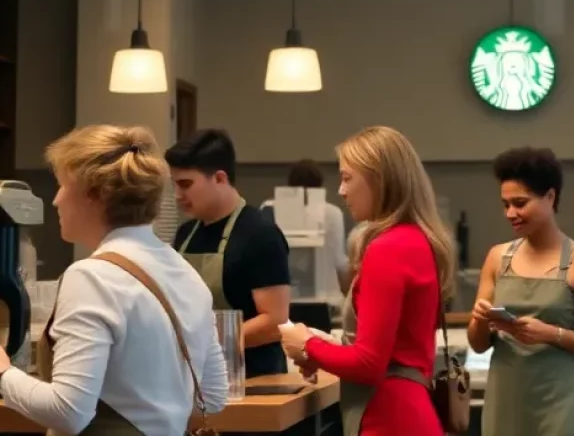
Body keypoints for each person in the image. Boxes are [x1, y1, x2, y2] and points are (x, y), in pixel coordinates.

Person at [0, 125, 228, 436]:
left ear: (94, 194)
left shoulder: (91, 277)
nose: (55, 200)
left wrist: (3, 374)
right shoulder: (187, 274)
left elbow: (69, 411)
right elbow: (213, 396)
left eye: (63, 185)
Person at [279, 126, 451, 436]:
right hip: (408, 410)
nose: (341, 191)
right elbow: (389, 348)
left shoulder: (387, 248)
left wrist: (307, 345)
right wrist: (329, 347)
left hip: (388, 417)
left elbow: (369, 364)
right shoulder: (414, 240)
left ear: (379, 179)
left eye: (347, 178)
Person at [468, 147, 574, 436]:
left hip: (560, 401)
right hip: (505, 397)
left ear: (550, 197)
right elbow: (478, 345)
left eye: (520, 203)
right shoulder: (497, 258)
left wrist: (551, 334)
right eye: (505, 204)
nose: (510, 213)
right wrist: (479, 320)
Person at [166, 128, 291, 377]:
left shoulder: (260, 235)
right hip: (197, 374)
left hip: (254, 378)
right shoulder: (185, 235)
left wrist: (204, 341)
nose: (178, 195)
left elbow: (274, 321)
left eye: (186, 184)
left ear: (220, 178)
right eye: (175, 185)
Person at [273, 160, 349, 296]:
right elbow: (339, 260)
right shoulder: (332, 214)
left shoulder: (275, 211)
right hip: (326, 293)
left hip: (288, 294)